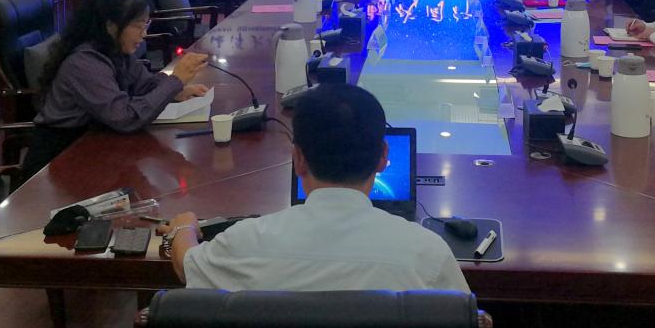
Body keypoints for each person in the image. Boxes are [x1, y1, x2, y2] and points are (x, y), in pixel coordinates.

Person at [161, 83, 472, 293]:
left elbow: (188, 266)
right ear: (383, 158)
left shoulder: (244, 243)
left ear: (298, 160)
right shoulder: (427, 255)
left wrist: (184, 228)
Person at [22, 0, 209, 175]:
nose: (144, 34)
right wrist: (174, 81)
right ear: (110, 25)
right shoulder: (84, 63)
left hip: (96, 147)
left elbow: (145, 85)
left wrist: (176, 92)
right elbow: (125, 118)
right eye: (138, 26)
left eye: (146, 24)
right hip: (59, 161)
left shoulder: (114, 50)